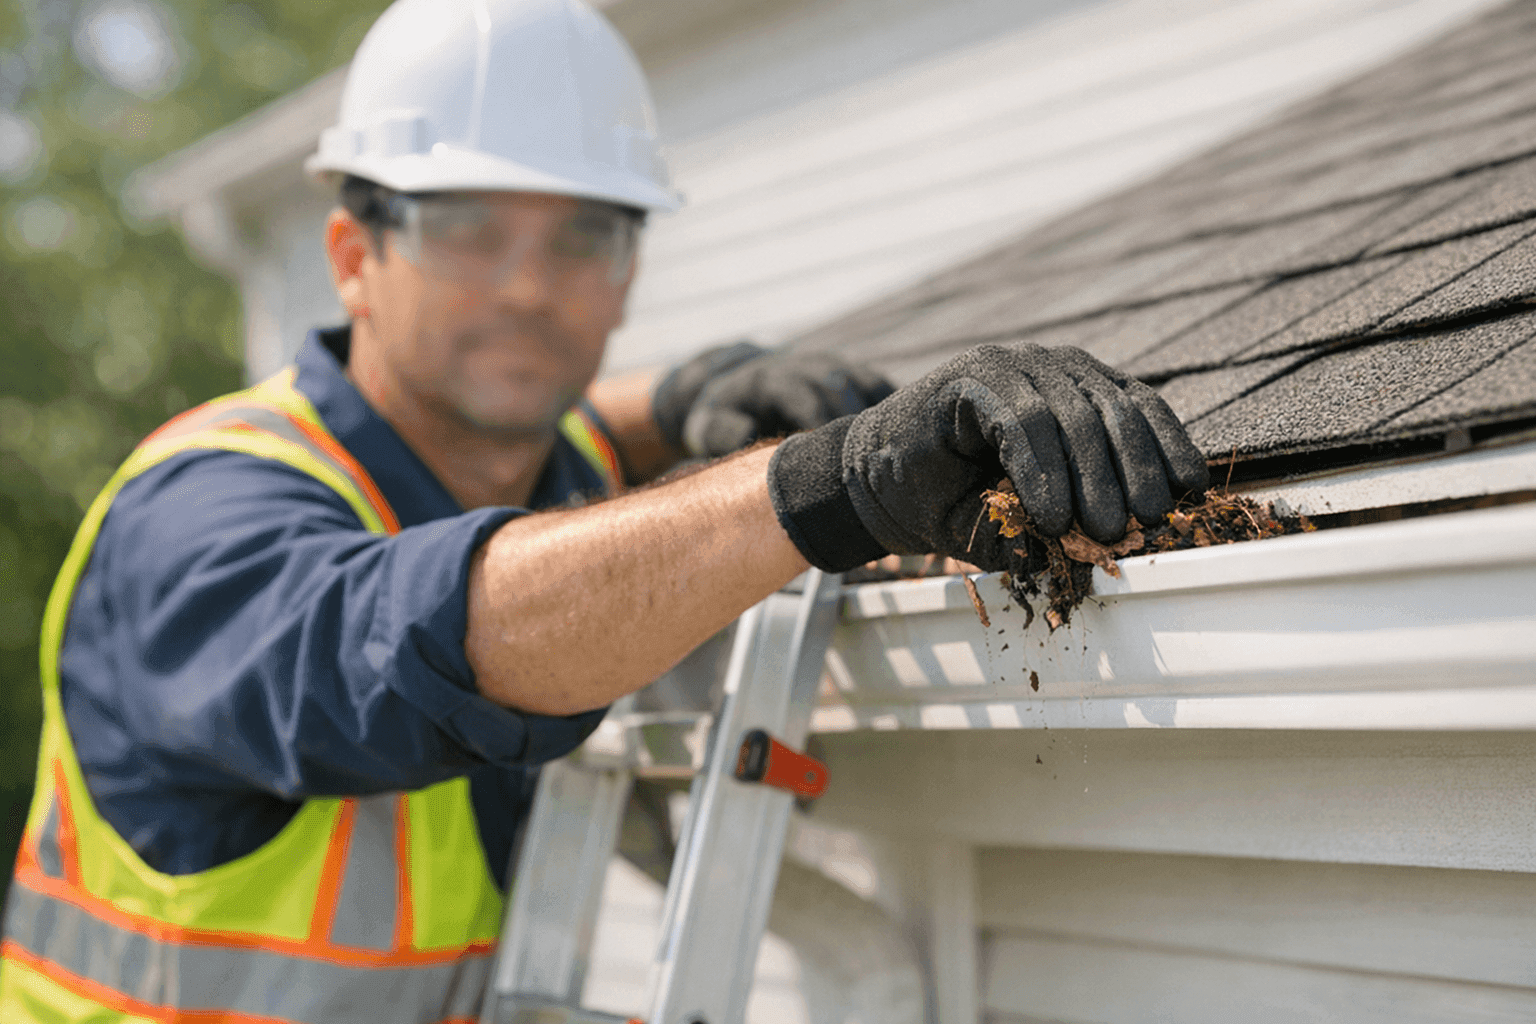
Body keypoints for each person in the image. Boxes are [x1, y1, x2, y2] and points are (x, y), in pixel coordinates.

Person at [0, 0, 1208, 1018]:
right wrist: (829, 482)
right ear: (354, 255)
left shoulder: (539, 456)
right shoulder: (198, 518)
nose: (530, 287)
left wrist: (677, 401)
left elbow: (547, 438)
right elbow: (419, 627)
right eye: (465, 229)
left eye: (583, 235)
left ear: (629, 272)